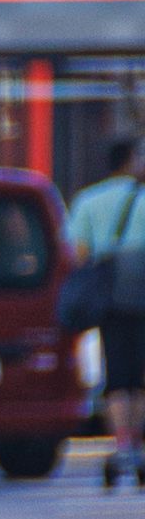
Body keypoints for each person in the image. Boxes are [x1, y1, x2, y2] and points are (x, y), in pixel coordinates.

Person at [66, 134, 145, 491]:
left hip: (111, 297)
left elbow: (78, 252)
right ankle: (138, 448)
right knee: (140, 378)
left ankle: (121, 447)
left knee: (116, 375)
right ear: (130, 161)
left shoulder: (88, 199)